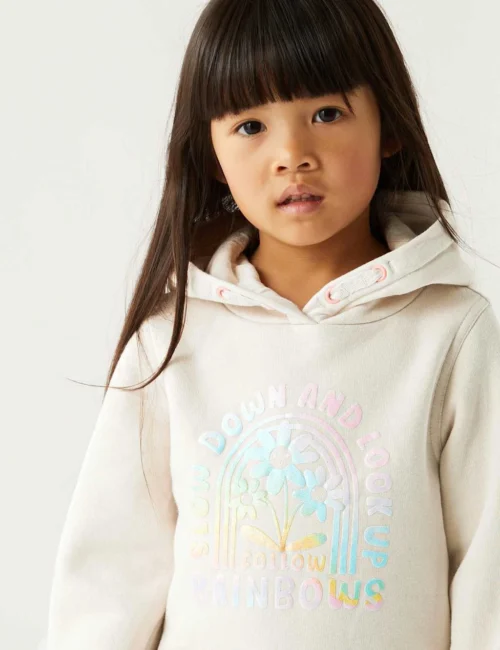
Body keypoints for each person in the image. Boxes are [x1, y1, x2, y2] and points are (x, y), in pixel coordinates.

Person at [43, 0, 500, 648]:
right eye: (251, 124)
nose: (292, 154)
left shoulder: (450, 331)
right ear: (211, 153)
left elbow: (489, 571)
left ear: (389, 126)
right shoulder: (172, 339)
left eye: (326, 113)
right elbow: (110, 574)